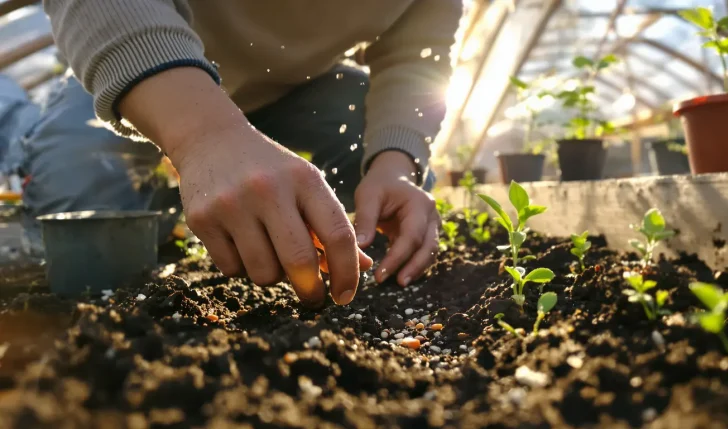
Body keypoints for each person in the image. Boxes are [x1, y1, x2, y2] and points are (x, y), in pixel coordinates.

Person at [39, 0, 462, 308]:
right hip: (138, 70)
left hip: (296, 88)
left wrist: (396, 165)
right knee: (78, 231)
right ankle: (175, 216)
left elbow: (418, 58)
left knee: (365, 131)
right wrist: (202, 137)